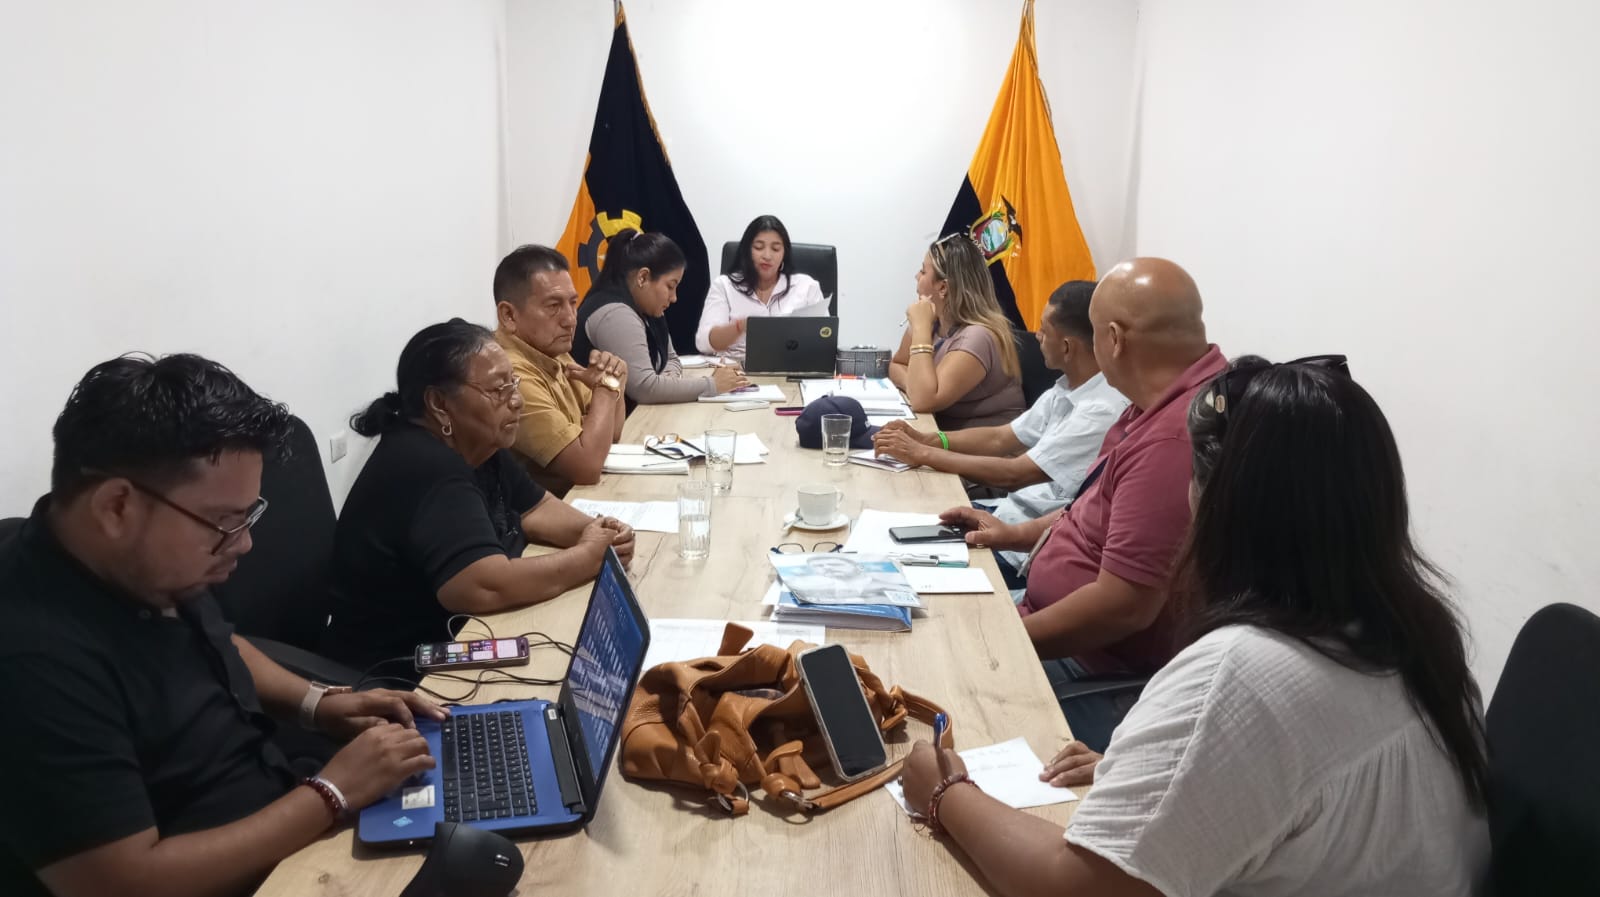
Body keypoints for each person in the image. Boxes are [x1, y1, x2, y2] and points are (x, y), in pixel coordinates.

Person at [900, 356, 1490, 897]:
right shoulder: (1418, 634)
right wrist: (1164, 774)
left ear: (1214, 500)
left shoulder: (1239, 675)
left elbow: (1075, 888)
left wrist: (945, 792)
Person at [0, 353, 446, 897]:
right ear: (116, 507)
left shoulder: (143, 565)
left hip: (281, 799)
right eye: (224, 522)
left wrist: (319, 704)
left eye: (248, 516)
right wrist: (331, 793)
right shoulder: (32, 663)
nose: (244, 543)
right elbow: (123, 882)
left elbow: (222, 641)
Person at [939, 258, 1226, 750]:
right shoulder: (1155, 403)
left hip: (1091, 668)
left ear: (1112, 339)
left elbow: (1124, 607)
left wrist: (1005, 640)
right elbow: (1093, 508)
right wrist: (1011, 535)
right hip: (1047, 621)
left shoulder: (1172, 440)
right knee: (931, 621)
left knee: (934, 686)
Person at [323, 320, 636, 679]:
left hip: (469, 632)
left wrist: (600, 532)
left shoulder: (480, 443)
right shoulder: (425, 466)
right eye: (499, 390)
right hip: (402, 672)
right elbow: (482, 586)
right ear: (439, 404)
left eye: (513, 383)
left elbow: (536, 508)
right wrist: (587, 557)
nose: (516, 401)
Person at [873, 281, 1127, 575]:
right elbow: (1001, 437)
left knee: (900, 568)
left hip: (1022, 545)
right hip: (1005, 513)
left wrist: (922, 453)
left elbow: (1014, 474)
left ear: (1068, 347)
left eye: (1044, 330)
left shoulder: (1100, 410)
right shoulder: (1069, 386)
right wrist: (929, 439)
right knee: (889, 533)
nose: (1037, 336)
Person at [492, 244, 627, 494]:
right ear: (509, 315)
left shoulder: (552, 349)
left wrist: (615, 379)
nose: (570, 319)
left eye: (573, 303)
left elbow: (611, 433)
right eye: (553, 306)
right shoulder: (509, 373)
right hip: (540, 513)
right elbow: (587, 467)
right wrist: (608, 387)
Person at [574, 229, 747, 408]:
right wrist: (712, 385)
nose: (674, 298)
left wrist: (666, 383)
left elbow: (671, 358)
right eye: (670, 286)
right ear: (643, 277)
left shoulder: (648, 307)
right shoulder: (615, 314)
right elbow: (644, 388)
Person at [887, 234, 1025, 430]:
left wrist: (920, 329)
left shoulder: (978, 337)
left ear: (943, 287)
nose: (917, 277)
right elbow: (897, 365)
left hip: (980, 445)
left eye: (923, 271)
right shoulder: (933, 321)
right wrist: (914, 383)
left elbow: (922, 400)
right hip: (941, 436)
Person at [695, 214, 828, 365]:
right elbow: (704, 343)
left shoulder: (807, 287)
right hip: (736, 370)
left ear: (784, 254)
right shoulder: (724, 286)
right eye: (758, 247)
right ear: (747, 250)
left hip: (791, 367)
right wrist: (739, 327)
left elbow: (825, 339)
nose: (767, 256)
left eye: (775, 249)